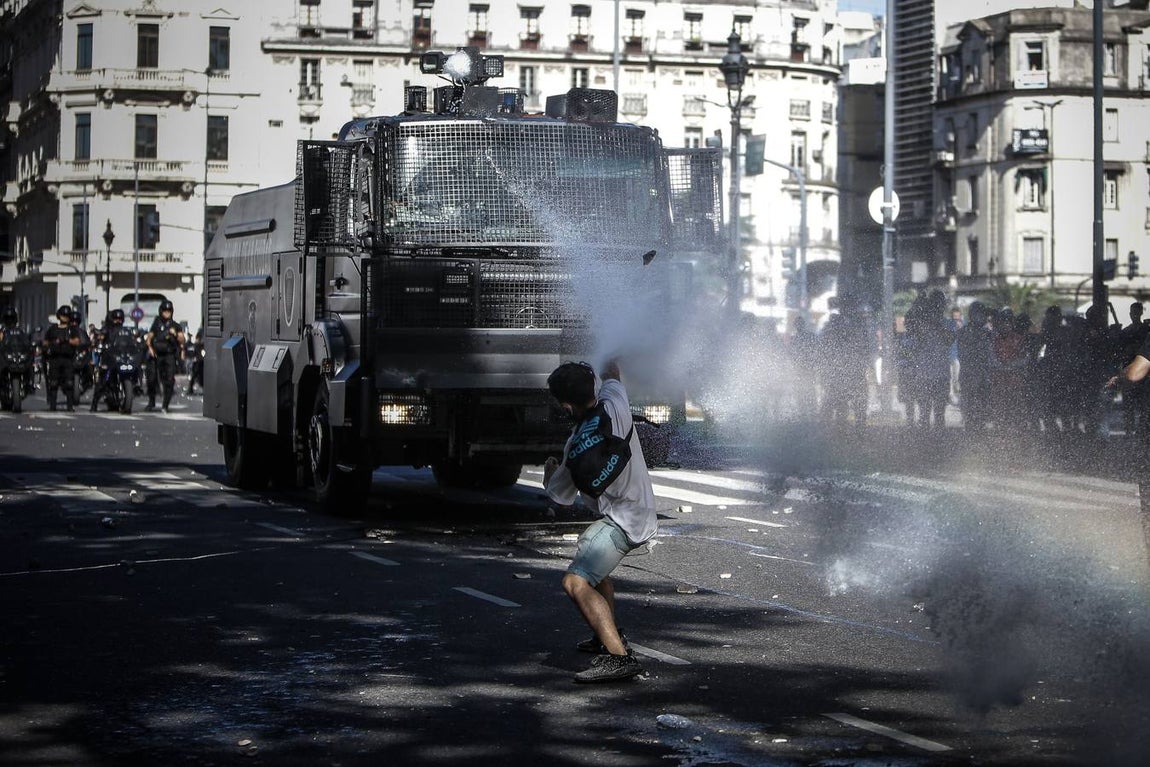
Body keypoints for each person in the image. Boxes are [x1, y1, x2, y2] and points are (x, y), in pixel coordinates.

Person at [543, 359, 656, 683]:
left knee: (575, 582)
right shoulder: (615, 403)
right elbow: (613, 371)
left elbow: (559, 497)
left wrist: (551, 471)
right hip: (639, 509)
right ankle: (605, 634)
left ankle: (619, 658)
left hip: (625, 521)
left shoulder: (575, 444)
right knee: (594, 568)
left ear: (565, 405)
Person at [144, 300, 185, 412]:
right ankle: (151, 401)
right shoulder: (156, 323)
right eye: (165, 311)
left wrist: (175, 334)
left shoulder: (175, 325)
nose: (167, 313)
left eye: (169, 311)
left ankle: (165, 405)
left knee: (169, 380)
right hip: (156, 355)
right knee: (151, 378)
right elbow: (150, 337)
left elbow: (182, 340)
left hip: (169, 355)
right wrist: (150, 348)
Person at [42, 305, 81, 411]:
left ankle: (69, 406)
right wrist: (51, 343)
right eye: (62, 315)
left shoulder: (71, 329)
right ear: (59, 316)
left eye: (66, 316)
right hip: (55, 358)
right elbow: (45, 341)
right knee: (53, 383)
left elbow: (77, 341)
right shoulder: (53, 329)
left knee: (69, 383)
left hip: (68, 358)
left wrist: (66, 340)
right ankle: (53, 405)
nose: (64, 318)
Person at [186, 328, 205, 395]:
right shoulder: (198, 345)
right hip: (198, 361)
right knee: (196, 376)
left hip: (199, 361)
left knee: (198, 376)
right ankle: (191, 389)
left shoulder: (199, 345)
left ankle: (191, 389)